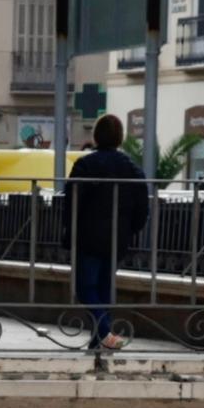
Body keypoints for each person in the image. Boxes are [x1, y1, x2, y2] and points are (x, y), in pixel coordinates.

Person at [67, 111, 149, 363]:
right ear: (120, 137)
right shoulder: (133, 169)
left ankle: (105, 334)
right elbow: (142, 208)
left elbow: (71, 202)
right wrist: (130, 230)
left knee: (84, 288)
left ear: (97, 136)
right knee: (103, 290)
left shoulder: (85, 164)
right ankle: (99, 341)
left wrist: (69, 230)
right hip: (117, 240)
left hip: (88, 236)